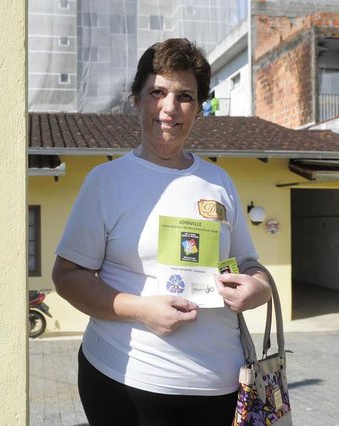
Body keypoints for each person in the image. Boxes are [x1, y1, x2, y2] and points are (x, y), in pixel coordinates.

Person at [52, 38, 272, 426]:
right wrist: (140, 310)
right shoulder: (106, 182)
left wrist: (260, 288)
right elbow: (68, 277)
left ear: (199, 109)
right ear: (136, 99)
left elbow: (249, 263)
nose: (170, 108)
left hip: (220, 386)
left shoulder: (218, 182)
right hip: (126, 382)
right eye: (157, 91)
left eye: (185, 96)